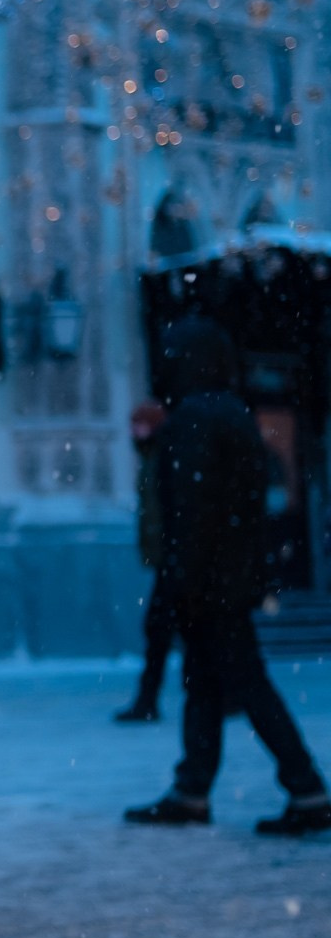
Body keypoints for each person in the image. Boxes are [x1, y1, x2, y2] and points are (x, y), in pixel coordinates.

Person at [124, 317, 331, 836]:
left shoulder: (194, 418)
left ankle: (306, 788)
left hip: (208, 582)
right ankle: (193, 789)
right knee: (207, 684)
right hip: (227, 578)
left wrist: (178, 582)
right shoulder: (232, 412)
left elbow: (191, 514)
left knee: (245, 684)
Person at [115, 397, 172, 723]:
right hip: (168, 560)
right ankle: (147, 700)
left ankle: (147, 700)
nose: (135, 432)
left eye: (140, 425)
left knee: (162, 631)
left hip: (173, 561)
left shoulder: (161, 458)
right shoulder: (152, 458)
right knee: (166, 633)